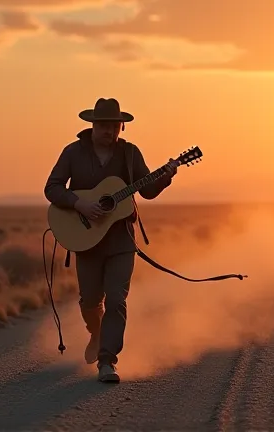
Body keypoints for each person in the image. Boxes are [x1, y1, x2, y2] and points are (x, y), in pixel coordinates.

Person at [44, 97, 177, 383]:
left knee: (117, 299)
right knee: (90, 301)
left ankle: (107, 362)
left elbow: (147, 191)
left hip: (121, 241)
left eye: (114, 126)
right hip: (86, 239)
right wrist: (78, 203)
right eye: (103, 125)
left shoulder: (130, 154)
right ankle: (97, 332)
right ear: (92, 125)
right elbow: (52, 188)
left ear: (121, 127)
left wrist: (165, 177)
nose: (109, 131)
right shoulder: (73, 153)